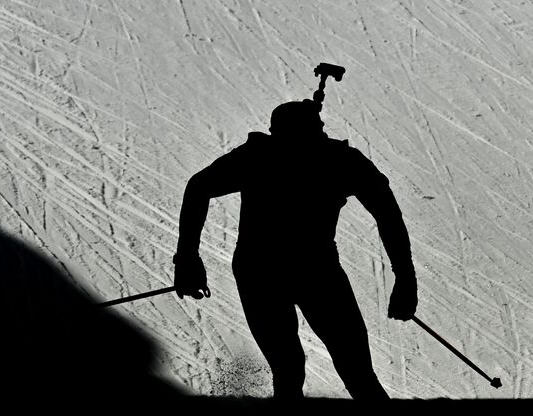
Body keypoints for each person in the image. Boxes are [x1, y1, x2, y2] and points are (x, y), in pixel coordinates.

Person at [173, 100, 416, 400]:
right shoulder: (337, 160)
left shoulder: (259, 156)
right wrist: (405, 276)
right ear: (319, 130)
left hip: (263, 270)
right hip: (311, 270)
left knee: (293, 368)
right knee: (350, 369)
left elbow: (198, 186)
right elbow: (386, 211)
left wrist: (187, 258)